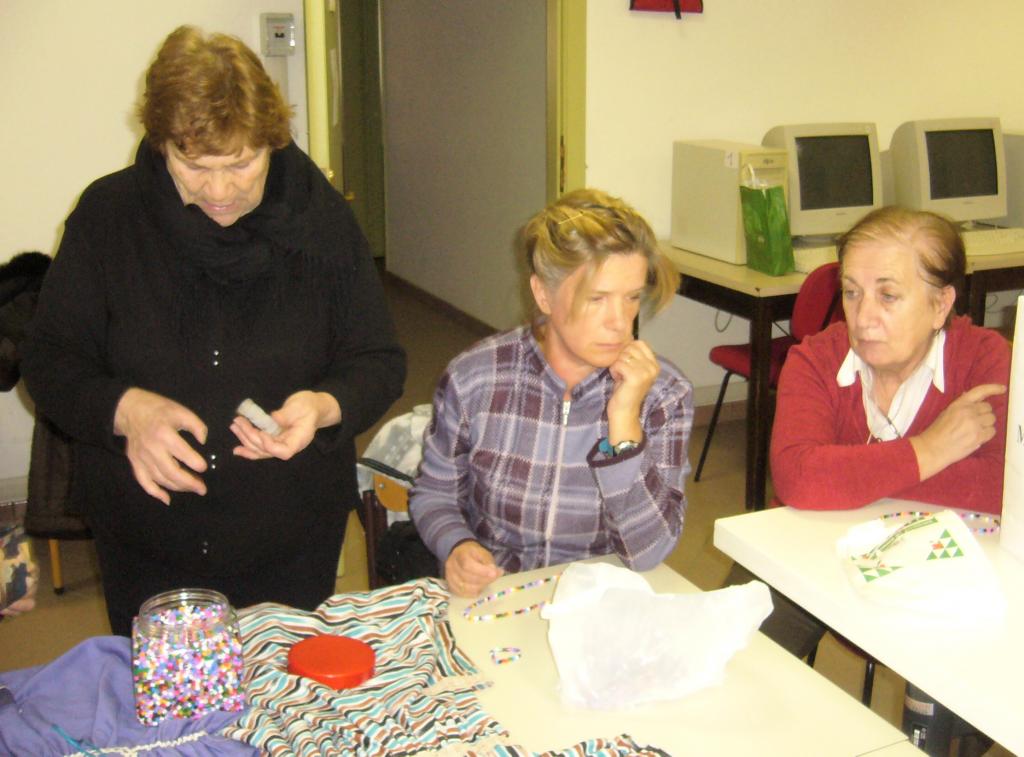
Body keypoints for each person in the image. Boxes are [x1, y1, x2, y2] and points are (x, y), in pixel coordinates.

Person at [21, 26, 405, 636]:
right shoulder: (108, 218)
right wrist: (125, 411)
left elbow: (378, 359)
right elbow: (48, 360)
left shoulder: (324, 221)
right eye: (194, 166)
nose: (220, 191)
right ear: (160, 145)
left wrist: (324, 406)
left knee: (280, 689)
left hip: (291, 531)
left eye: (242, 163)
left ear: (272, 141)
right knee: (168, 694)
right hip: (148, 533)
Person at [729, 205, 1010, 663]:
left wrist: (848, 477)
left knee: (968, 666)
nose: (862, 318)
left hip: (936, 569)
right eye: (852, 293)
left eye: (888, 296)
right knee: (735, 653)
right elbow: (798, 478)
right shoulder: (816, 360)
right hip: (816, 548)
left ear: (940, 305)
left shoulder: (985, 361)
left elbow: (1002, 488)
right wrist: (930, 449)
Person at [409, 189, 693, 598]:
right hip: (497, 593)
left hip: (599, 598)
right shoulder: (476, 378)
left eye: (632, 298)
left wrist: (624, 422)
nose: (620, 323)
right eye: (597, 299)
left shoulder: (663, 394)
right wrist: (456, 545)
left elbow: (648, 552)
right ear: (543, 294)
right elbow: (435, 493)